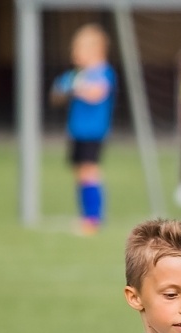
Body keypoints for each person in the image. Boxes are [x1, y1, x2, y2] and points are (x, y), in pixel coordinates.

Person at [50, 23, 116, 234]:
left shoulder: (103, 73)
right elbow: (56, 96)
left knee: (90, 172)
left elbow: (97, 94)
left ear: (94, 50)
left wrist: (77, 87)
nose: (74, 54)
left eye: (78, 49)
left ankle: (94, 217)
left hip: (93, 133)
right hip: (76, 131)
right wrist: (63, 88)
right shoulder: (78, 74)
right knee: (80, 173)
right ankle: (85, 215)